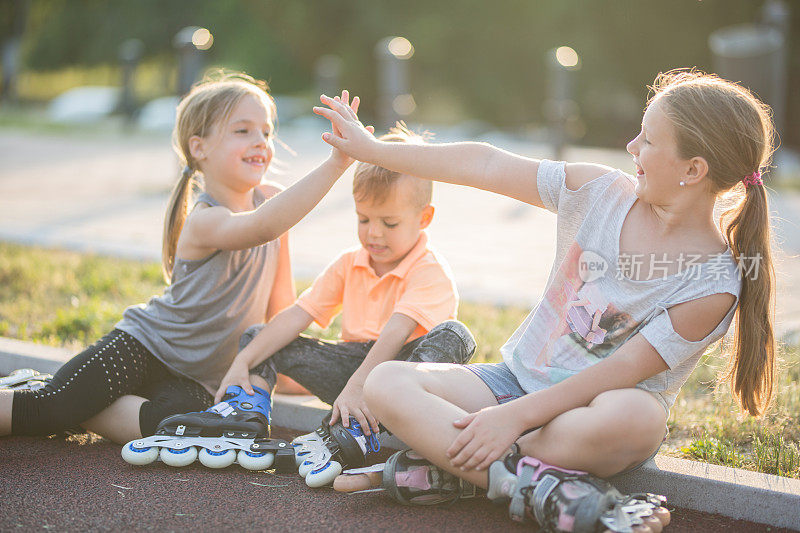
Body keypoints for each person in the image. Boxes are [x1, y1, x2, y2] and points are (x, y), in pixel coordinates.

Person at [314, 70, 775, 525]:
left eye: (649, 141)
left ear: (693, 170)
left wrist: (511, 421)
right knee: (386, 383)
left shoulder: (713, 284)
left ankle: (454, 471)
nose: (632, 147)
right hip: (510, 383)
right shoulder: (601, 192)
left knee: (642, 418)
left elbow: (619, 372)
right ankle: (529, 482)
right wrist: (377, 151)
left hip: (592, 416)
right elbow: (487, 164)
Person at [0, 73, 363, 445]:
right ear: (199, 147)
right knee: (49, 409)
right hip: (145, 346)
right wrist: (336, 163)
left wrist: (285, 373)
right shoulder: (206, 219)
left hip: (197, 379)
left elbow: (280, 307)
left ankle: (76, 401)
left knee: (179, 427)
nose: (261, 142)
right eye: (242, 131)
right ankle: (57, 398)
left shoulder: (272, 205)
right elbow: (260, 228)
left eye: (267, 133)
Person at [216, 125, 476, 439]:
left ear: (424, 219)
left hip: (402, 373)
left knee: (455, 334)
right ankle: (246, 414)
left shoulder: (429, 271)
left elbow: (396, 333)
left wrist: (361, 388)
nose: (374, 233)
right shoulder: (350, 262)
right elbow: (299, 314)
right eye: (363, 219)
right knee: (259, 336)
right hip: (351, 366)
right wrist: (242, 361)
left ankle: (364, 426)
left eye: (389, 223)